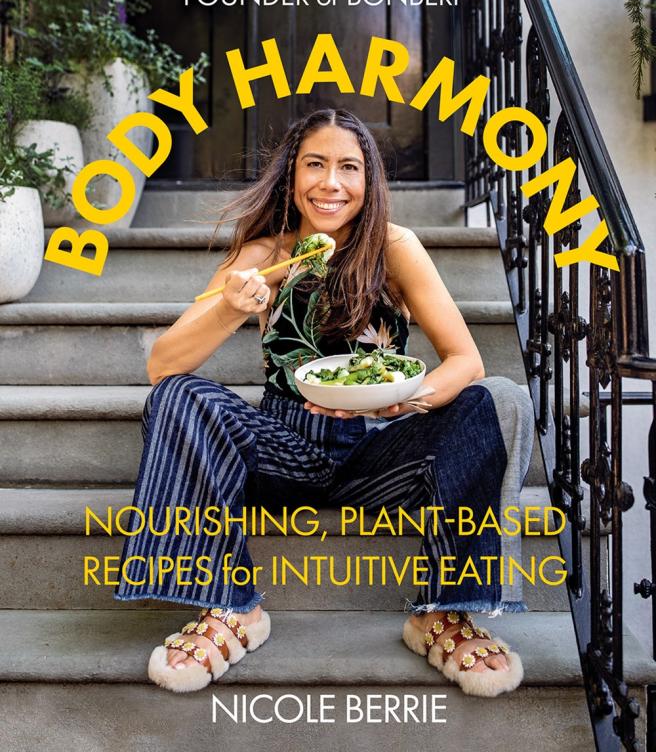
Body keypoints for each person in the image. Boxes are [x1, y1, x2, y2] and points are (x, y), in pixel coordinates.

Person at [114, 108, 534, 698]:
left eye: (348, 167)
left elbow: (465, 361)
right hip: (283, 450)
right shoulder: (264, 255)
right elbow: (163, 364)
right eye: (315, 164)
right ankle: (230, 605)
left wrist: (404, 402)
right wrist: (232, 307)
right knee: (178, 396)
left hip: (380, 452)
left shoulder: (395, 248)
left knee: (502, 398)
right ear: (292, 175)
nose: (330, 183)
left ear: (369, 181)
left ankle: (444, 611)